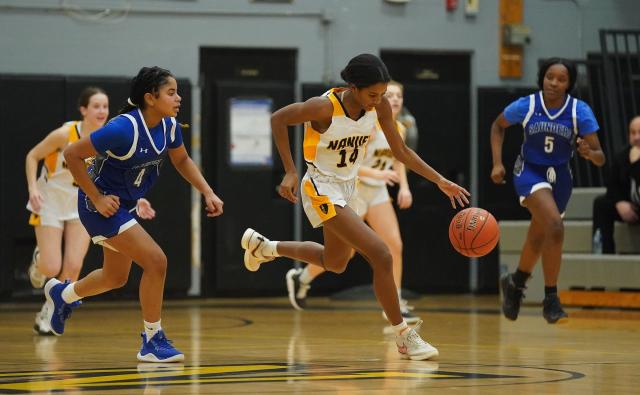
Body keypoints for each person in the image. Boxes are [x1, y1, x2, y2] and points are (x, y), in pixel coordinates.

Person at [241, 54, 470, 360]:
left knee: (335, 262)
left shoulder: (380, 106)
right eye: (372, 95)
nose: (378, 101)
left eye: (382, 94)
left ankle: (267, 248)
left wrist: (440, 179)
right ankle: (404, 336)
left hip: (348, 187)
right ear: (353, 87)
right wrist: (291, 170)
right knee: (382, 253)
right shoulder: (323, 107)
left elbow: (400, 150)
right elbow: (278, 119)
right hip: (321, 187)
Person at [44, 66, 223, 363]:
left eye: (177, 92)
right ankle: (152, 339)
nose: (178, 98)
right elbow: (72, 154)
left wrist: (208, 191)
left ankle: (63, 296)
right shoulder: (122, 128)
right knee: (156, 261)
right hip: (99, 206)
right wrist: (97, 198)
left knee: (115, 278)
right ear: (150, 98)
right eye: (171, 92)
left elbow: (182, 159)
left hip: (124, 205)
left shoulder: (169, 126)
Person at [285, 80, 420, 324]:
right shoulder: (367, 122)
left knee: (393, 246)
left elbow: (399, 159)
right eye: (392, 95)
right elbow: (349, 165)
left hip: (377, 192)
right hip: (353, 188)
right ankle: (302, 278)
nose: (396, 99)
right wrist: (377, 174)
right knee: (347, 255)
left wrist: (405, 187)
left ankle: (396, 301)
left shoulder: (397, 127)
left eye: (400, 95)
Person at [25, 87, 156, 336]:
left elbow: (117, 179)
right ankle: (39, 261)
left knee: (73, 266)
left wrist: (140, 199)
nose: (102, 111)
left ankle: (47, 311)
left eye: (105, 106)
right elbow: (33, 156)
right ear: (84, 110)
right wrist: (33, 188)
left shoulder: (110, 139)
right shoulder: (65, 134)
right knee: (51, 266)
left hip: (81, 203)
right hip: (50, 200)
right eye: (96, 106)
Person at [490, 57, 605, 323]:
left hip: (560, 178)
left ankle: (515, 283)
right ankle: (551, 298)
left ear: (569, 84)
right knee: (555, 225)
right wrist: (497, 163)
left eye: (561, 79)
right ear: (542, 78)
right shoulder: (527, 105)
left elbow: (601, 156)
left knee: (539, 237)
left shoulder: (579, 111)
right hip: (529, 172)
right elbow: (497, 125)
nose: (554, 82)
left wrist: (590, 153)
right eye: (549, 77)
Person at [592, 115, 640, 253]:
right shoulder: (623, 155)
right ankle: (601, 253)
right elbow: (611, 182)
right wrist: (619, 202)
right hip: (632, 208)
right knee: (601, 204)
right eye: (633, 133)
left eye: (639, 132)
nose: (636, 137)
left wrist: (636, 163)